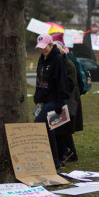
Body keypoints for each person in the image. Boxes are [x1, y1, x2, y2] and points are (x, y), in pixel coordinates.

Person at [33, 33, 70, 169]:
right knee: (49, 130)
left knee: (38, 125)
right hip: (45, 100)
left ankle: (54, 160)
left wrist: (61, 102)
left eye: (45, 47)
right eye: (40, 48)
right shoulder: (42, 59)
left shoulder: (57, 60)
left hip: (56, 100)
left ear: (51, 44)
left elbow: (62, 81)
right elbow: (39, 79)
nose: (43, 50)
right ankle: (55, 161)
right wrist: (37, 97)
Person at [52, 40, 82, 165]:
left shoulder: (68, 64)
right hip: (61, 101)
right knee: (62, 130)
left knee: (61, 130)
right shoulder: (59, 63)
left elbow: (70, 83)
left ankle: (63, 155)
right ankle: (68, 153)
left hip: (65, 102)